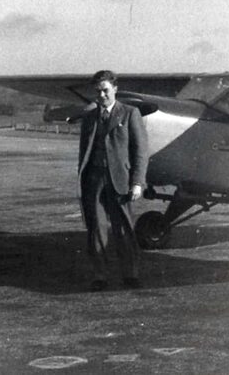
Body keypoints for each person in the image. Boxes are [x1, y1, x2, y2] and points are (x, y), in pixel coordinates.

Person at [78, 70, 148, 291]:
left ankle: (131, 274)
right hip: (94, 180)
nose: (102, 95)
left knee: (124, 229)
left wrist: (137, 182)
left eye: (105, 90)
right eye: (98, 91)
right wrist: (83, 178)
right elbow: (84, 152)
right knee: (96, 229)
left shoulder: (130, 113)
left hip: (120, 181)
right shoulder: (89, 117)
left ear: (115, 89)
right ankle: (100, 276)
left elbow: (140, 151)